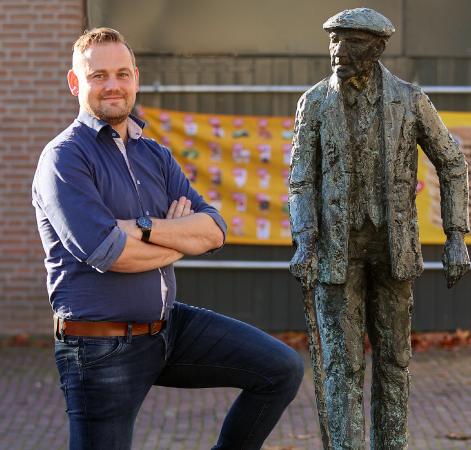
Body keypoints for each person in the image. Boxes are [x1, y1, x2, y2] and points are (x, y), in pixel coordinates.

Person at [32, 27, 304, 450]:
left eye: (122, 74)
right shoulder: (64, 158)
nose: (113, 86)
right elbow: (108, 252)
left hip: (168, 329)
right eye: (98, 76)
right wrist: (180, 237)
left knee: (281, 369)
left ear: (136, 78)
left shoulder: (155, 154)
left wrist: (142, 226)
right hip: (100, 348)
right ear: (75, 83)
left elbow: (214, 230)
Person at [288, 8, 470, 450]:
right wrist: (305, 238)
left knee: (393, 361)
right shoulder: (314, 102)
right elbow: (301, 179)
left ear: (377, 48)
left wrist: (456, 236)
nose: (337, 51)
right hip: (335, 250)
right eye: (334, 41)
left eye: (350, 42)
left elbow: (452, 163)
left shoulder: (409, 100)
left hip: (394, 250)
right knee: (341, 364)